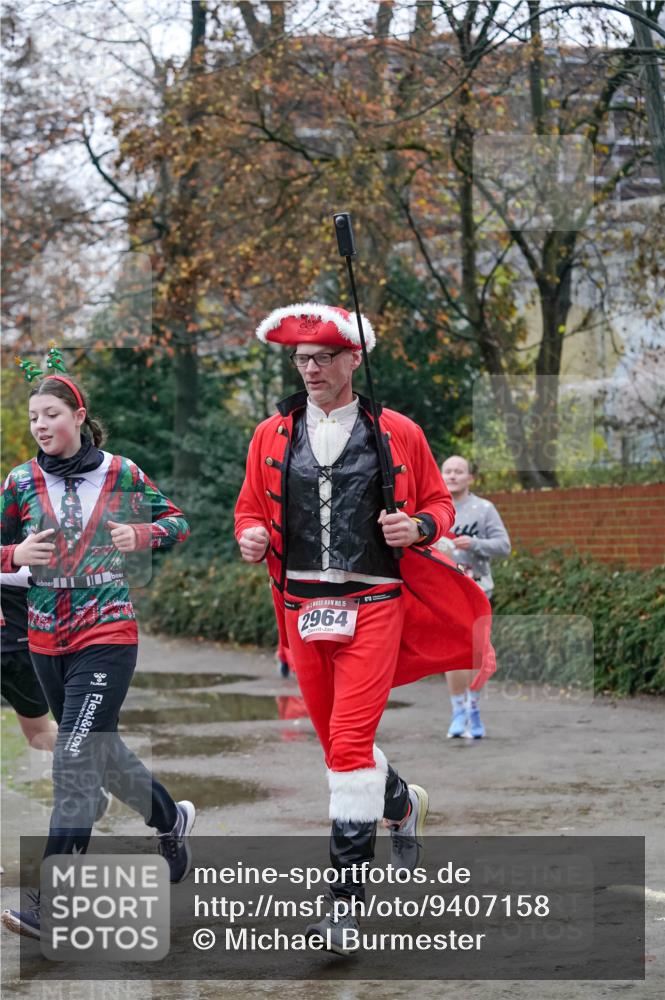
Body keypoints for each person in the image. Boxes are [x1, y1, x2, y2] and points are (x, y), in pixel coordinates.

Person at [235, 303, 495, 954]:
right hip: (301, 607)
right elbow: (247, 507)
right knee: (336, 750)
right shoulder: (270, 435)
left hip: (375, 602)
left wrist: (420, 528)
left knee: (348, 748)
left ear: (354, 359)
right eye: (301, 359)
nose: (311, 368)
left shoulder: (396, 431)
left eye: (324, 356)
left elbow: (436, 502)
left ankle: (343, 908)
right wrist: (250, 534)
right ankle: (402, 802)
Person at [1, 350, 195, 940]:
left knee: (74, 755)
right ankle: (170, 818)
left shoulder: (120, 471)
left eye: (51, 413)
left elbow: (177, 521)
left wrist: (140, 533)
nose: (40, 425)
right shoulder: (18, 482)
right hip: (44, 637)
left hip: (107, 632)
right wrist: (14, 555)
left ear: (78, 416)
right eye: (34, 416)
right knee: (99, 751)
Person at [436, 455, 511, 739]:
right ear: (440, 476)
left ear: (470, 478)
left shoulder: (483, 509)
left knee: (476, 652)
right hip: (445, 590)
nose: (453, 476)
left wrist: (476, 543)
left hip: (478, 588)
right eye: (448, 471)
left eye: (459, 471)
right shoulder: (431, 509)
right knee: (453, 652)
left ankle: (473, 707)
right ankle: (458, 711)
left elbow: (504, 545)